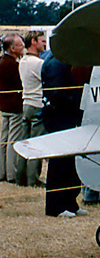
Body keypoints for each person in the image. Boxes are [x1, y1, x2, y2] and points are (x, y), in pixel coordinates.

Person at [41, 54, 89, 217]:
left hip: (66, 116)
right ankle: (55, 206)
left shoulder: (63, 60)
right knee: (59, 163)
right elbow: (56, 93)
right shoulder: (55, 62)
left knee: (69, 163)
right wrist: (76, 103)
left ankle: (69, 202)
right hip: (59, 117)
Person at [18, 31, 46, 186]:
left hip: (26, 103)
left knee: (24, 143)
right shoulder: (38, 64)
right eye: (42, 41)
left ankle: (20, 176)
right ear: (34, 42)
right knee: (36, 144)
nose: (44, 44)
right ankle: (33, 178)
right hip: (37, 104)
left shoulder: (23, 61)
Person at [0, 34, 26, 185]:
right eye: (21, 45)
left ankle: (2, 171)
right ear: (13, 48)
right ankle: (12, 173)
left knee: (3, 139)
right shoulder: (13, 65)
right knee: (13, 140)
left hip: (3, 106)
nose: (23, 47)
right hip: (14, 106)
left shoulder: (2, 62)